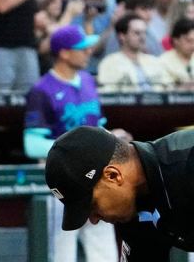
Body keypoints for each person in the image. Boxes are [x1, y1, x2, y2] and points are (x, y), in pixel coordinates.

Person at [23, 25, 118, 262]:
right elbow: (32, 144)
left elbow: (98, 127)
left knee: (104, 254)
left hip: (97, 180)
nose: (88, 52)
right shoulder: (41, 90)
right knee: (60, 255)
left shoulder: (87, 81)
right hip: (61, 184)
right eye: (82, 48)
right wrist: (82, 148)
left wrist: (112, 138)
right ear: (64, 53)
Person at [44, 126, 194, 261]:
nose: (94, 220)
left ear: (113, 176)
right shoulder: (133, 210)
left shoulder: (186, 162)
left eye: (92, 205)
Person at [97, 14, 169, 92]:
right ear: (122, 36)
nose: (142, 37)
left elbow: (169, 90)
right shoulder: (109, 63)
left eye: (144, 33)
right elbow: (107, 95)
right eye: (137, 33)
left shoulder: (154, 61)